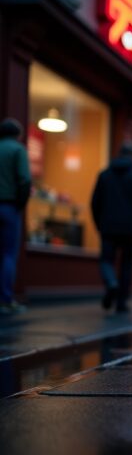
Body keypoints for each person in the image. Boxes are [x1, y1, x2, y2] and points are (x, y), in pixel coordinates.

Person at [90, 143, 132, 313]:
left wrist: (98, 224)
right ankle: (121, 302)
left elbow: (94, 202)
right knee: (126, 264)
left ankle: (111, 283)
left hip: (108, 226)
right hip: (130, 228)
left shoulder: (105, 175)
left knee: (106, 260)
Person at [0, 119, 31, 314]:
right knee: (8, 254)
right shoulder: (18, 150)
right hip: (9, 206)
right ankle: (5, 300)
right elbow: (24, 180)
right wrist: (20, 204)